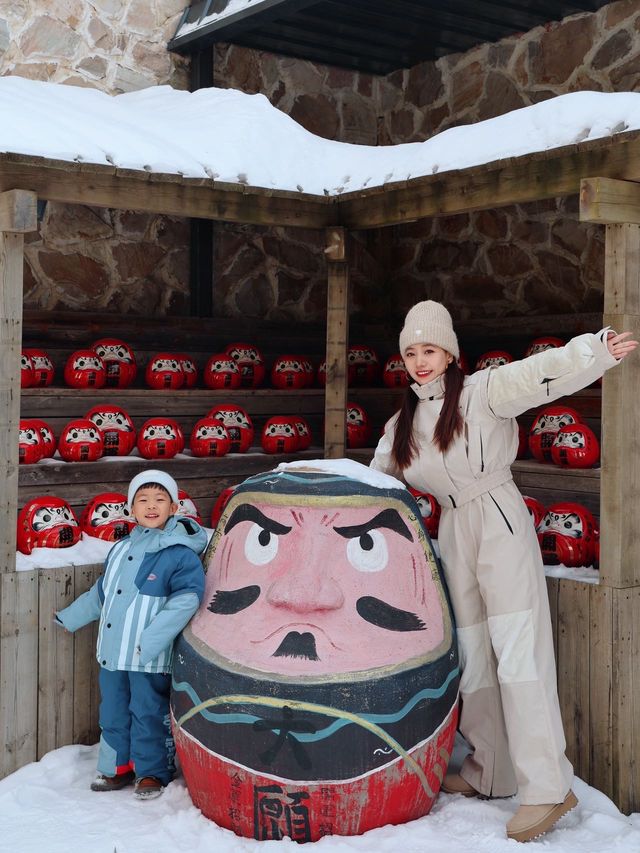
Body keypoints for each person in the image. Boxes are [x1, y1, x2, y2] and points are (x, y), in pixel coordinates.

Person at [369, 300, 637, 843]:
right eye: (411, 352)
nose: (420, 361)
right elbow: (373, 480)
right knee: (473, 653)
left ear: (450, 354)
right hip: (453, 531)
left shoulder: (483, 392)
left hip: (498, 519)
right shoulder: (403, 424)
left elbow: (539, 374)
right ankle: (490, 770)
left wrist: (594, 351)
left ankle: (547, 786)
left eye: (429, 350)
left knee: (518, 650)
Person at [55, 470, 206, 800]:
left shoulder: (180, 554)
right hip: (113, 654)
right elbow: (102, 594)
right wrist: (70, 617)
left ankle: (151, 771)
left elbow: (186, 600)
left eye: (159, 499)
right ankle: (116, 766)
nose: (151, 506)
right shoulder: (120, 549)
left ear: (173, 507)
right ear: (131, 509)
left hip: (149, 656)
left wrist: (151, 641)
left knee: (147, 712)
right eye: (143, 500)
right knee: (112, 711)